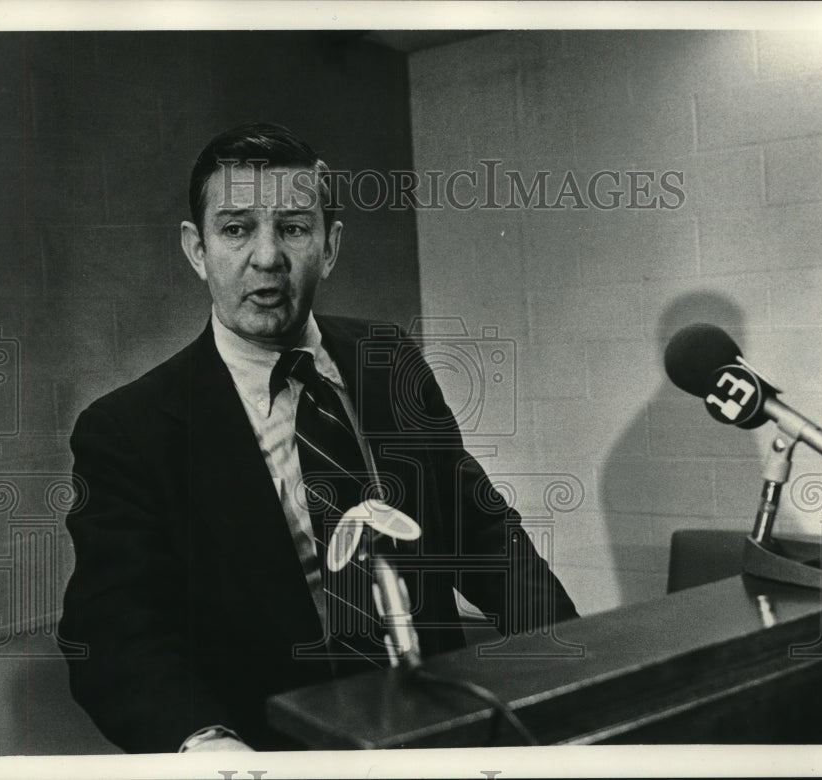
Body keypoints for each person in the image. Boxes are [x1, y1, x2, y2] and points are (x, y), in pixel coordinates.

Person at [57, 123, 578, 753]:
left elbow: (483, 534)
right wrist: (208, 743)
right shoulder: (128, 430)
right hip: (273, 751)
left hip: (438, 732)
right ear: (197, 250)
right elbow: (115, 633)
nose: (268, 256)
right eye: (236, 227)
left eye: (294, 227)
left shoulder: (389, 358)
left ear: (329, 246)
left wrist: (577, 665)